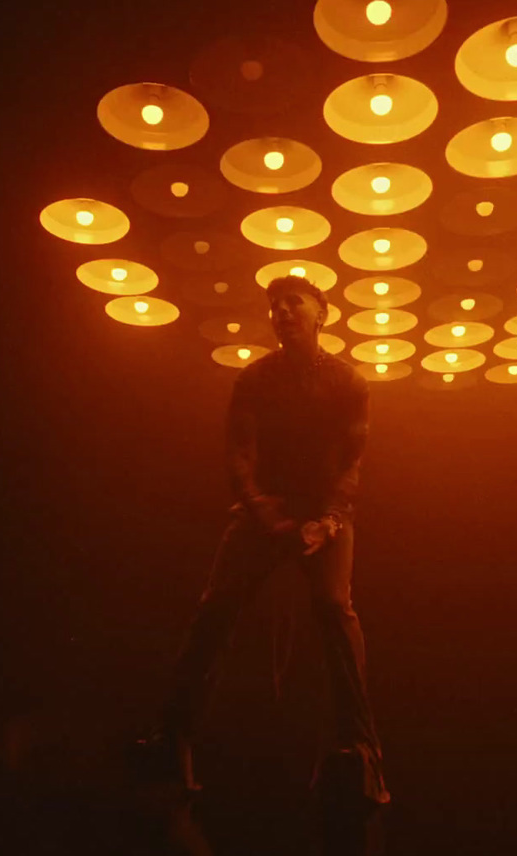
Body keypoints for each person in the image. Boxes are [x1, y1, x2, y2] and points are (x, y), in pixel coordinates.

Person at [131, 274, 390, 806]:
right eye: (275, 305)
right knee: (214, 609)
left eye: (294, 302)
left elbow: (352, 463)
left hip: (325, 514)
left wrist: (330, 520)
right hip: (263, 513)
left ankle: (362, 752)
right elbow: (240, 458)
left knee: (334, 609)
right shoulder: (254, 380)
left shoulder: (348, 382)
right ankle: (171, 737)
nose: (282, 311)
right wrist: (263, 511)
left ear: (323, 314)